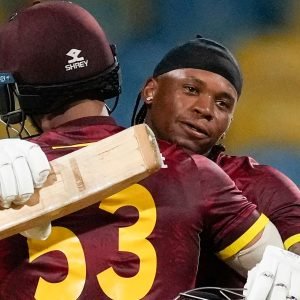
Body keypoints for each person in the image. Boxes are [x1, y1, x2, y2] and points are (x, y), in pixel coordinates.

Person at [0, 1, 289, 299]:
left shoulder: (7, 184)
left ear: (15, 94)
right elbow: (285, 277)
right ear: (112, 71)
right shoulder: (194, 171)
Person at [131, 35, 300, 291]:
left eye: (222, 104)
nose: (206, 109)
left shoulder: (260, 186)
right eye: (191, 90)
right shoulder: (101, 166)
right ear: (150, 90)